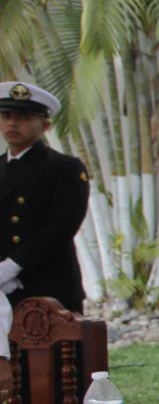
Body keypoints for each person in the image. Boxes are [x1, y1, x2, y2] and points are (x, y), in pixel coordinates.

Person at [0, 82, 88, 312]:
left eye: (25, 117)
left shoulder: (64, 167)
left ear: (45, 125)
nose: (13, 123)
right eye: (6, 116)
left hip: (48, 284)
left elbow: (62, 226)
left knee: (56, 348)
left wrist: (12, 267)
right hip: (1, 287)